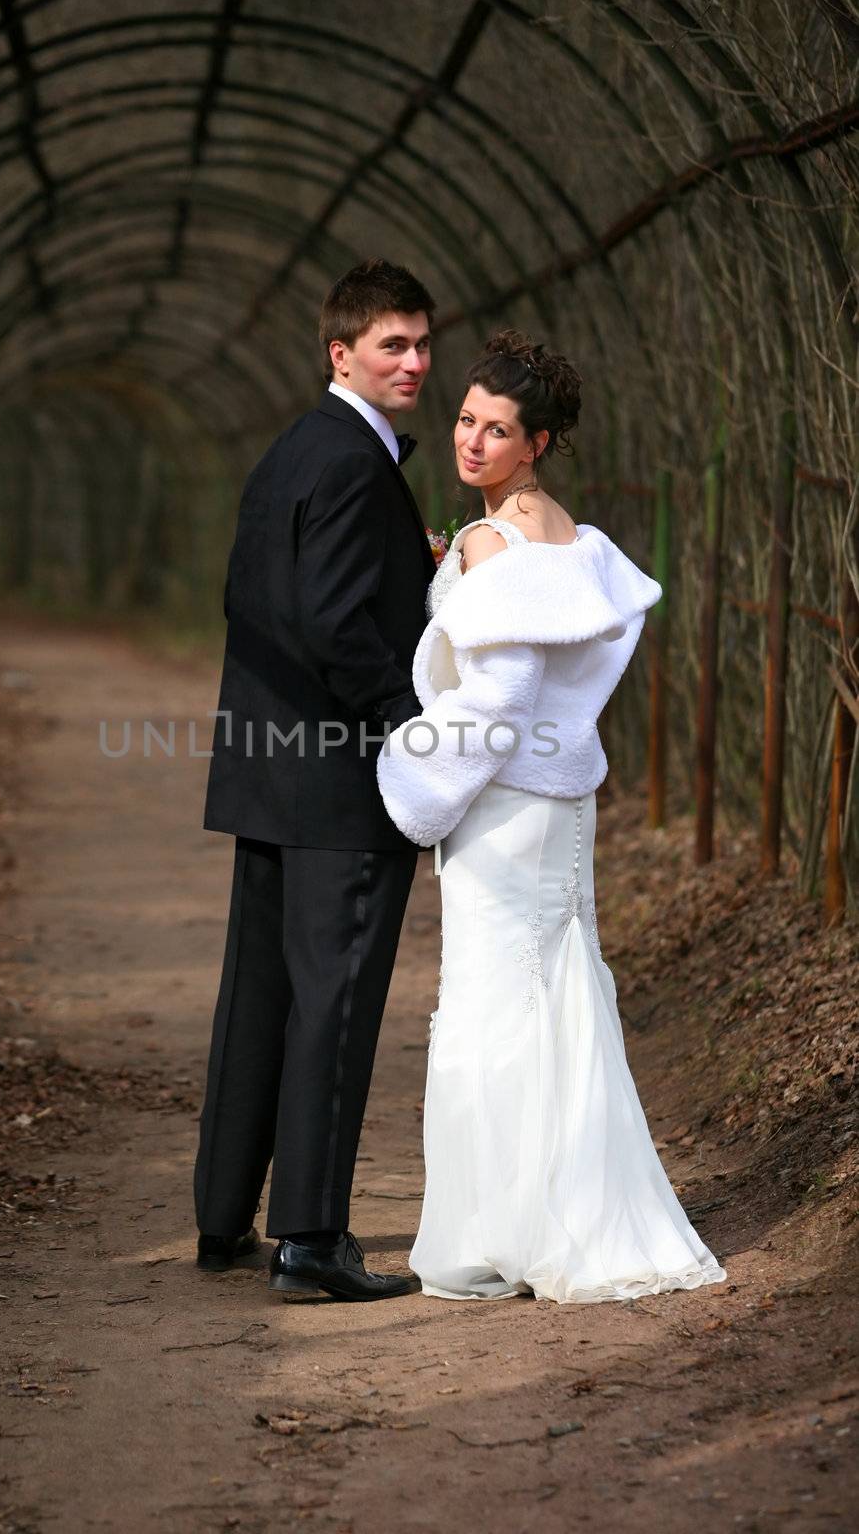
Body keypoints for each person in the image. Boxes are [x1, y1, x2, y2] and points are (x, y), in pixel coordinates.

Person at [377, 331, 727, 1302]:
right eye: (463, 420)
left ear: (535, 443)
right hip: (562, 801)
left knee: (493, 1006)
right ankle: (571, 1209)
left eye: (496, 430)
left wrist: (409, 768)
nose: (472, 442)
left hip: (505, 804)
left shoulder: (496, 541)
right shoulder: (566, 534)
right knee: (561, 995)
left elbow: (501, 694)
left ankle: (507, 1228)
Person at [196, 259, 437, 1301]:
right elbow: (334, 621)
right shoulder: (350, 461)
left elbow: (253, 595)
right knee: (331, 1004)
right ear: (340, 351)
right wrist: (407, 729)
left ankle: (221, 1219)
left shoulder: (294, 448)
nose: (415, 362)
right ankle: (309, 1242)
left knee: (261, 998)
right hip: (337, 784)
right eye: (392, 344)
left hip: (271, 776)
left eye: (423, 343)